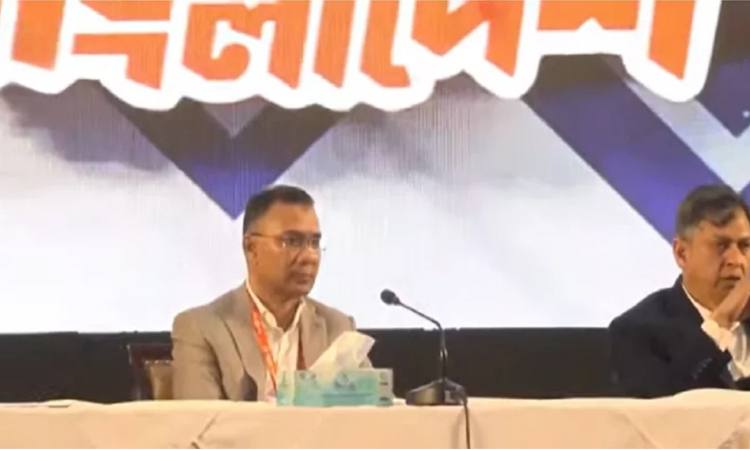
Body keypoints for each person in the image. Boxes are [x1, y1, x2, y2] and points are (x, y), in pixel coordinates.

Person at [171, 185, 364, 401]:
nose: (309, 256)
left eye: (314, 243)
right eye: (292, 241)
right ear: (251, 247)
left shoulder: (338, 329)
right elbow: (201, 419)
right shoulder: (200, 328)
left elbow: (374, 413)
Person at [610, 184, 750, 398]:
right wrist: (722, 321)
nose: (736, 260)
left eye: (745, 246)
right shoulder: (636, 331)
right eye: (721, 246)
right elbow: (667, 408)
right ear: (681, 253)